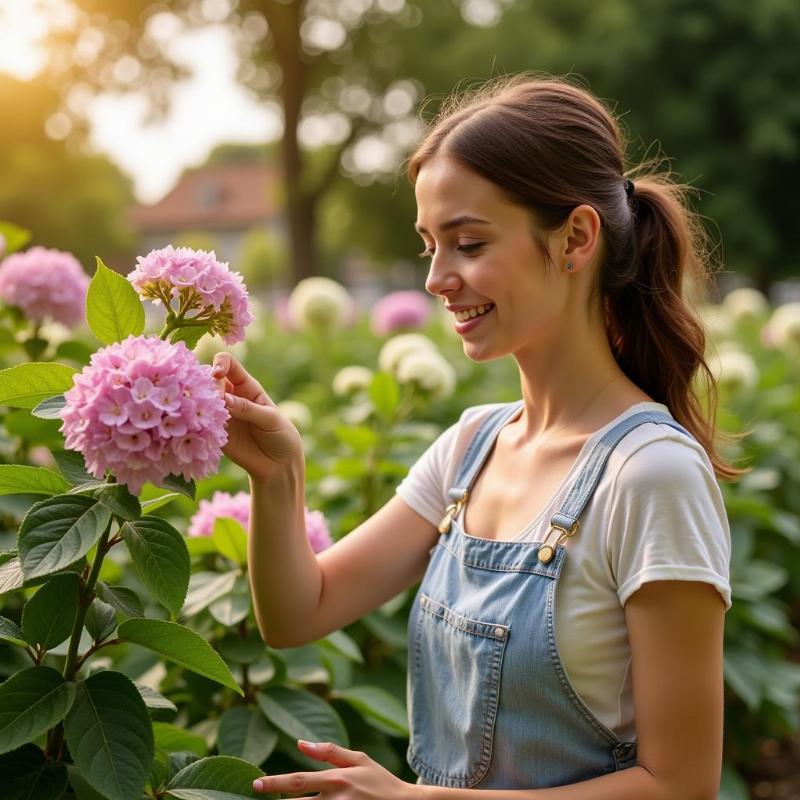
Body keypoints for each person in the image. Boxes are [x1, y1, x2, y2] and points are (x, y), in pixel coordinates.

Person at [213, 74, 743, 799]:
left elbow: (681, 787)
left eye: (466, 242)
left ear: (575, 238)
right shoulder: (472, 447)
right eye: (430, 245)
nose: (437, 278)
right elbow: (299, 611)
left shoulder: (652, 476)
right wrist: (277, 477)